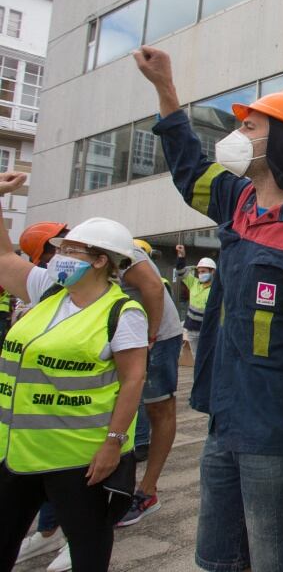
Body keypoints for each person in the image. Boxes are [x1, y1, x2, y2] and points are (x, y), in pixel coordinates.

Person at [134, 45, 283, 572]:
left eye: (251, 128)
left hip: (282, 425)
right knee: (219, 558)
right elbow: (187, 168)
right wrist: (165, 90)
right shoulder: (237, 202)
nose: (236, 137)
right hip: (227, 418)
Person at [0, 181, 148, 572]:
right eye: (59, 250)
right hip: (15, 451)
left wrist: (113, 445)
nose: (57, 257)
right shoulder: (47, 291)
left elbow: (133, 380)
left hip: (78, 458)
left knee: (87, 550)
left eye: (69, 251)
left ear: (100, 260)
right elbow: (2, 255)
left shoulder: (122, 312)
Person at [11, 221, 73, 571]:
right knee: (43, 472)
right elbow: (4, 257)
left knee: (73, 479)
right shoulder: (44, 282)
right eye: (62, 247)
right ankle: (49, 532)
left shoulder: (113, 302)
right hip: (35, 409)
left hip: (77, 415)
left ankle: (74, 539)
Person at [116, 238, 186, 526]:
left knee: (158, 407)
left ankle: (147, 491)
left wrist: (151, 337)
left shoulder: (120, 253)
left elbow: (155, 288)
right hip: (122, 338)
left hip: (155, 338)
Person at [173, 244, 215, 359]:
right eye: (199, 272)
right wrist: (181, 256)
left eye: (204, 271)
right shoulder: (194, 283)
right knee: (197, 358)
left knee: (208, 358)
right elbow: (180, 271)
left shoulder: (217, 290)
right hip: (192, 330)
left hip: (207, 331)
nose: (201, 274)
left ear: (212, 272)